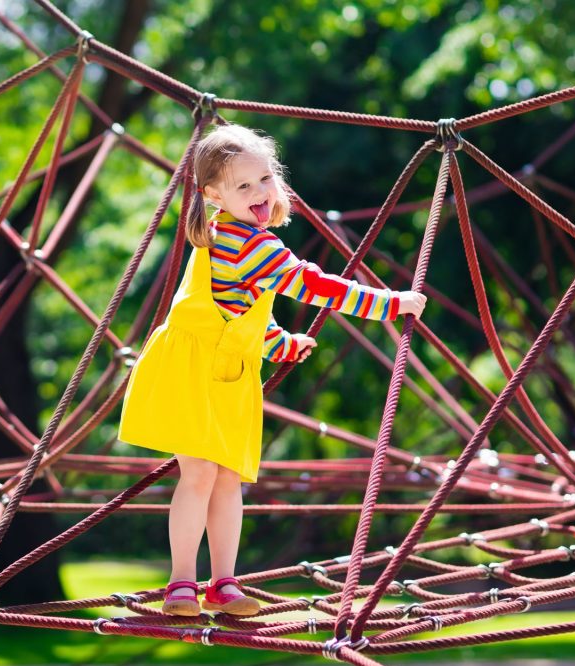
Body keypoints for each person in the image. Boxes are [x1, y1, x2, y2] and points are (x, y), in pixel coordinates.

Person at [118, 124, 426, 617]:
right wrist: (390, 303)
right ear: (214, 194)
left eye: (265, 179)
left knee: (225, 479)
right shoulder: (246, 242)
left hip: (225, 369)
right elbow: (311, 284)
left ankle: (223, 583)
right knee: (198, 474)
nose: (259, 193)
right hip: (194, 368)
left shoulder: (236, 236)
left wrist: (279, 343)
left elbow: (237, 310)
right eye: (243, 187)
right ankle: (181, 584)